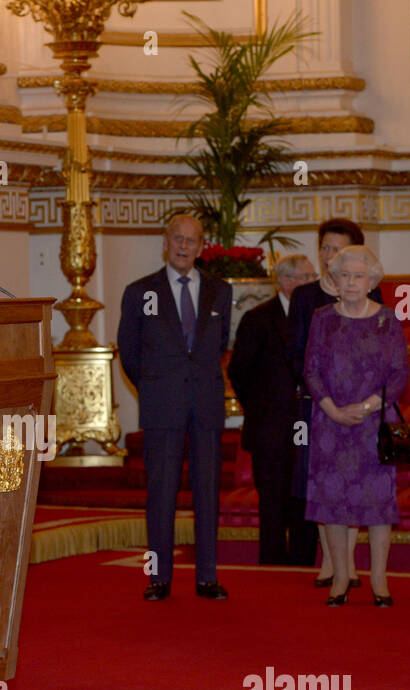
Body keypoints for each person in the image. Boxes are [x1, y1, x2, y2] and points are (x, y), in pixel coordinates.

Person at [118, 213, 233, 601]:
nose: (184, 246)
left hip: (205, 404)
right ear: (165, 242)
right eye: (177, 239)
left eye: (192, 240)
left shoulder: (220, 291)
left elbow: (219, 346)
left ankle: (207, 577)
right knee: (161, 493)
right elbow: (130, 353)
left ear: (202, 246)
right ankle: (159, 578)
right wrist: (155, 387)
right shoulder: (140, 292)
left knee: (207, 493)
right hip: (161, 405)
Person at [304, 246, 407, 606]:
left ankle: (379, 577)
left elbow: (399, 375)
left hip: (374, 424)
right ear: (334, 279)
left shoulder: (388, 320)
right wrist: (333, 410)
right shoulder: (322, 318)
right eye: (344, 275)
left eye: (358, 275)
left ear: (371, 280)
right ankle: (341, 576)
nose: (350, 282)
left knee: (378, 504)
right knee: (332, 502)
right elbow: (311, 370)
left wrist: (365, 407)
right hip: (331, 424)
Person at [288, 218, 383, 588]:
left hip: (362, 407)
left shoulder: (374, 293)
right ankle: (331, 561)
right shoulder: (306, 297)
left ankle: (349, 563)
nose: (330, 257)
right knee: (325, 483)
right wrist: (327, 396)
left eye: (338, 250)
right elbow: (296, 354)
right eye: (325, 249)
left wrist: (361, 399)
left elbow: (383, 354)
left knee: (357, 481)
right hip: (319, 404)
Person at [229, 252, 319, 565]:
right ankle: (272, 573)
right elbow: (238, 372)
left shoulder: (318, 316)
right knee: (273, 508)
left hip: (308, 428)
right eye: (306, 277)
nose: (311, 283)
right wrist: (264, 408)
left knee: (305, 507)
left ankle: (305, 567)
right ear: (284, 281)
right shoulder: (257, 318)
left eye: (312, 277)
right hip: (269, 432)